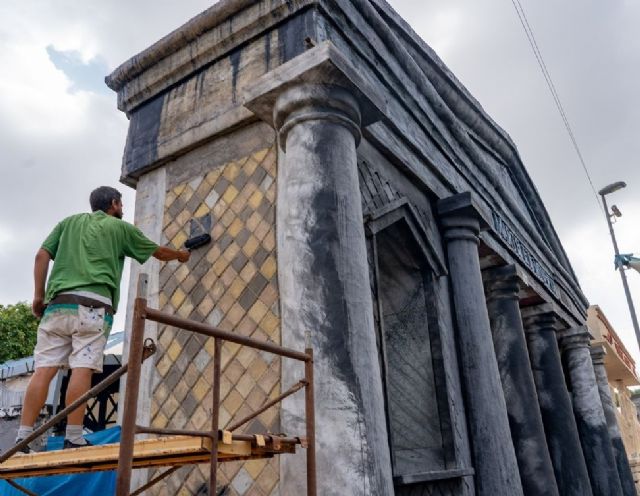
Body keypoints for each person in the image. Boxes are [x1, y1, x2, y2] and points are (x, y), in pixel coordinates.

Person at [15, 186, 190, 451]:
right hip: (93, 307)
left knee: (44, 370)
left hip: (58, 305)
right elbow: (158, 252)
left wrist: (38, 298)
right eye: (121, 204)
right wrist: (181, 255)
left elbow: (41, 255)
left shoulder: (68, 223)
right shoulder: (120, 229)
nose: (123, 208)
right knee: (82, 367)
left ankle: (22, 436)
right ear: (114, 203)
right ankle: (73, 437)